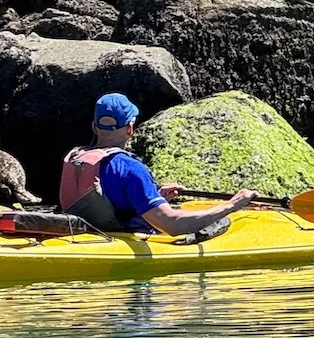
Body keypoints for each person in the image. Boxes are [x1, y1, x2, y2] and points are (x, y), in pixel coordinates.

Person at [60, 93, 258, 234]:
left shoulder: (77, 159)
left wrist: (155, 196)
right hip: (124, 240)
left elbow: (107, 201)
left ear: (95, 127)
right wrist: (233, 205)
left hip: (91, 234)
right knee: (219, 222)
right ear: (130, 128)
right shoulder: (132, 169)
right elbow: (172, 225)